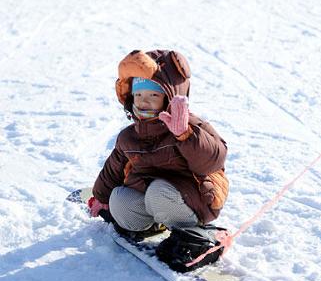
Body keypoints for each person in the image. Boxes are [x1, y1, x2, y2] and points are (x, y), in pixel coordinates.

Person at [89, 50, 229, 237]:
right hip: (154, 197)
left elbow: (213, 161)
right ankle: (151, 225)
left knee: (158, 192)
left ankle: (191, 232)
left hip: (194, 199)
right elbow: (113, 168)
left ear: (170, 97)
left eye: (153, 95)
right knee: (120, 200)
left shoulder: (190, 126)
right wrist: (101, 197)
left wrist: (184, 135)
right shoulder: (129, 137)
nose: (143, 101)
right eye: (138, 94)